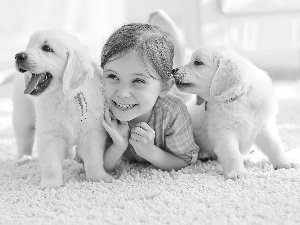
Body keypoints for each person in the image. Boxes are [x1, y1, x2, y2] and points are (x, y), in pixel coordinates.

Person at [100, 23, 199, 172]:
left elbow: (187, 160)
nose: (122, 93)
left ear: (165, 87)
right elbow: (94, 166)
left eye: (138, 81)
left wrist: (150, 152)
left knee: (188, 97)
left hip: (180, 102)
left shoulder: (172, 112)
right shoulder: (100, 107)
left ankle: (177, 39)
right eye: (112, 76)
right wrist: (118, 147)